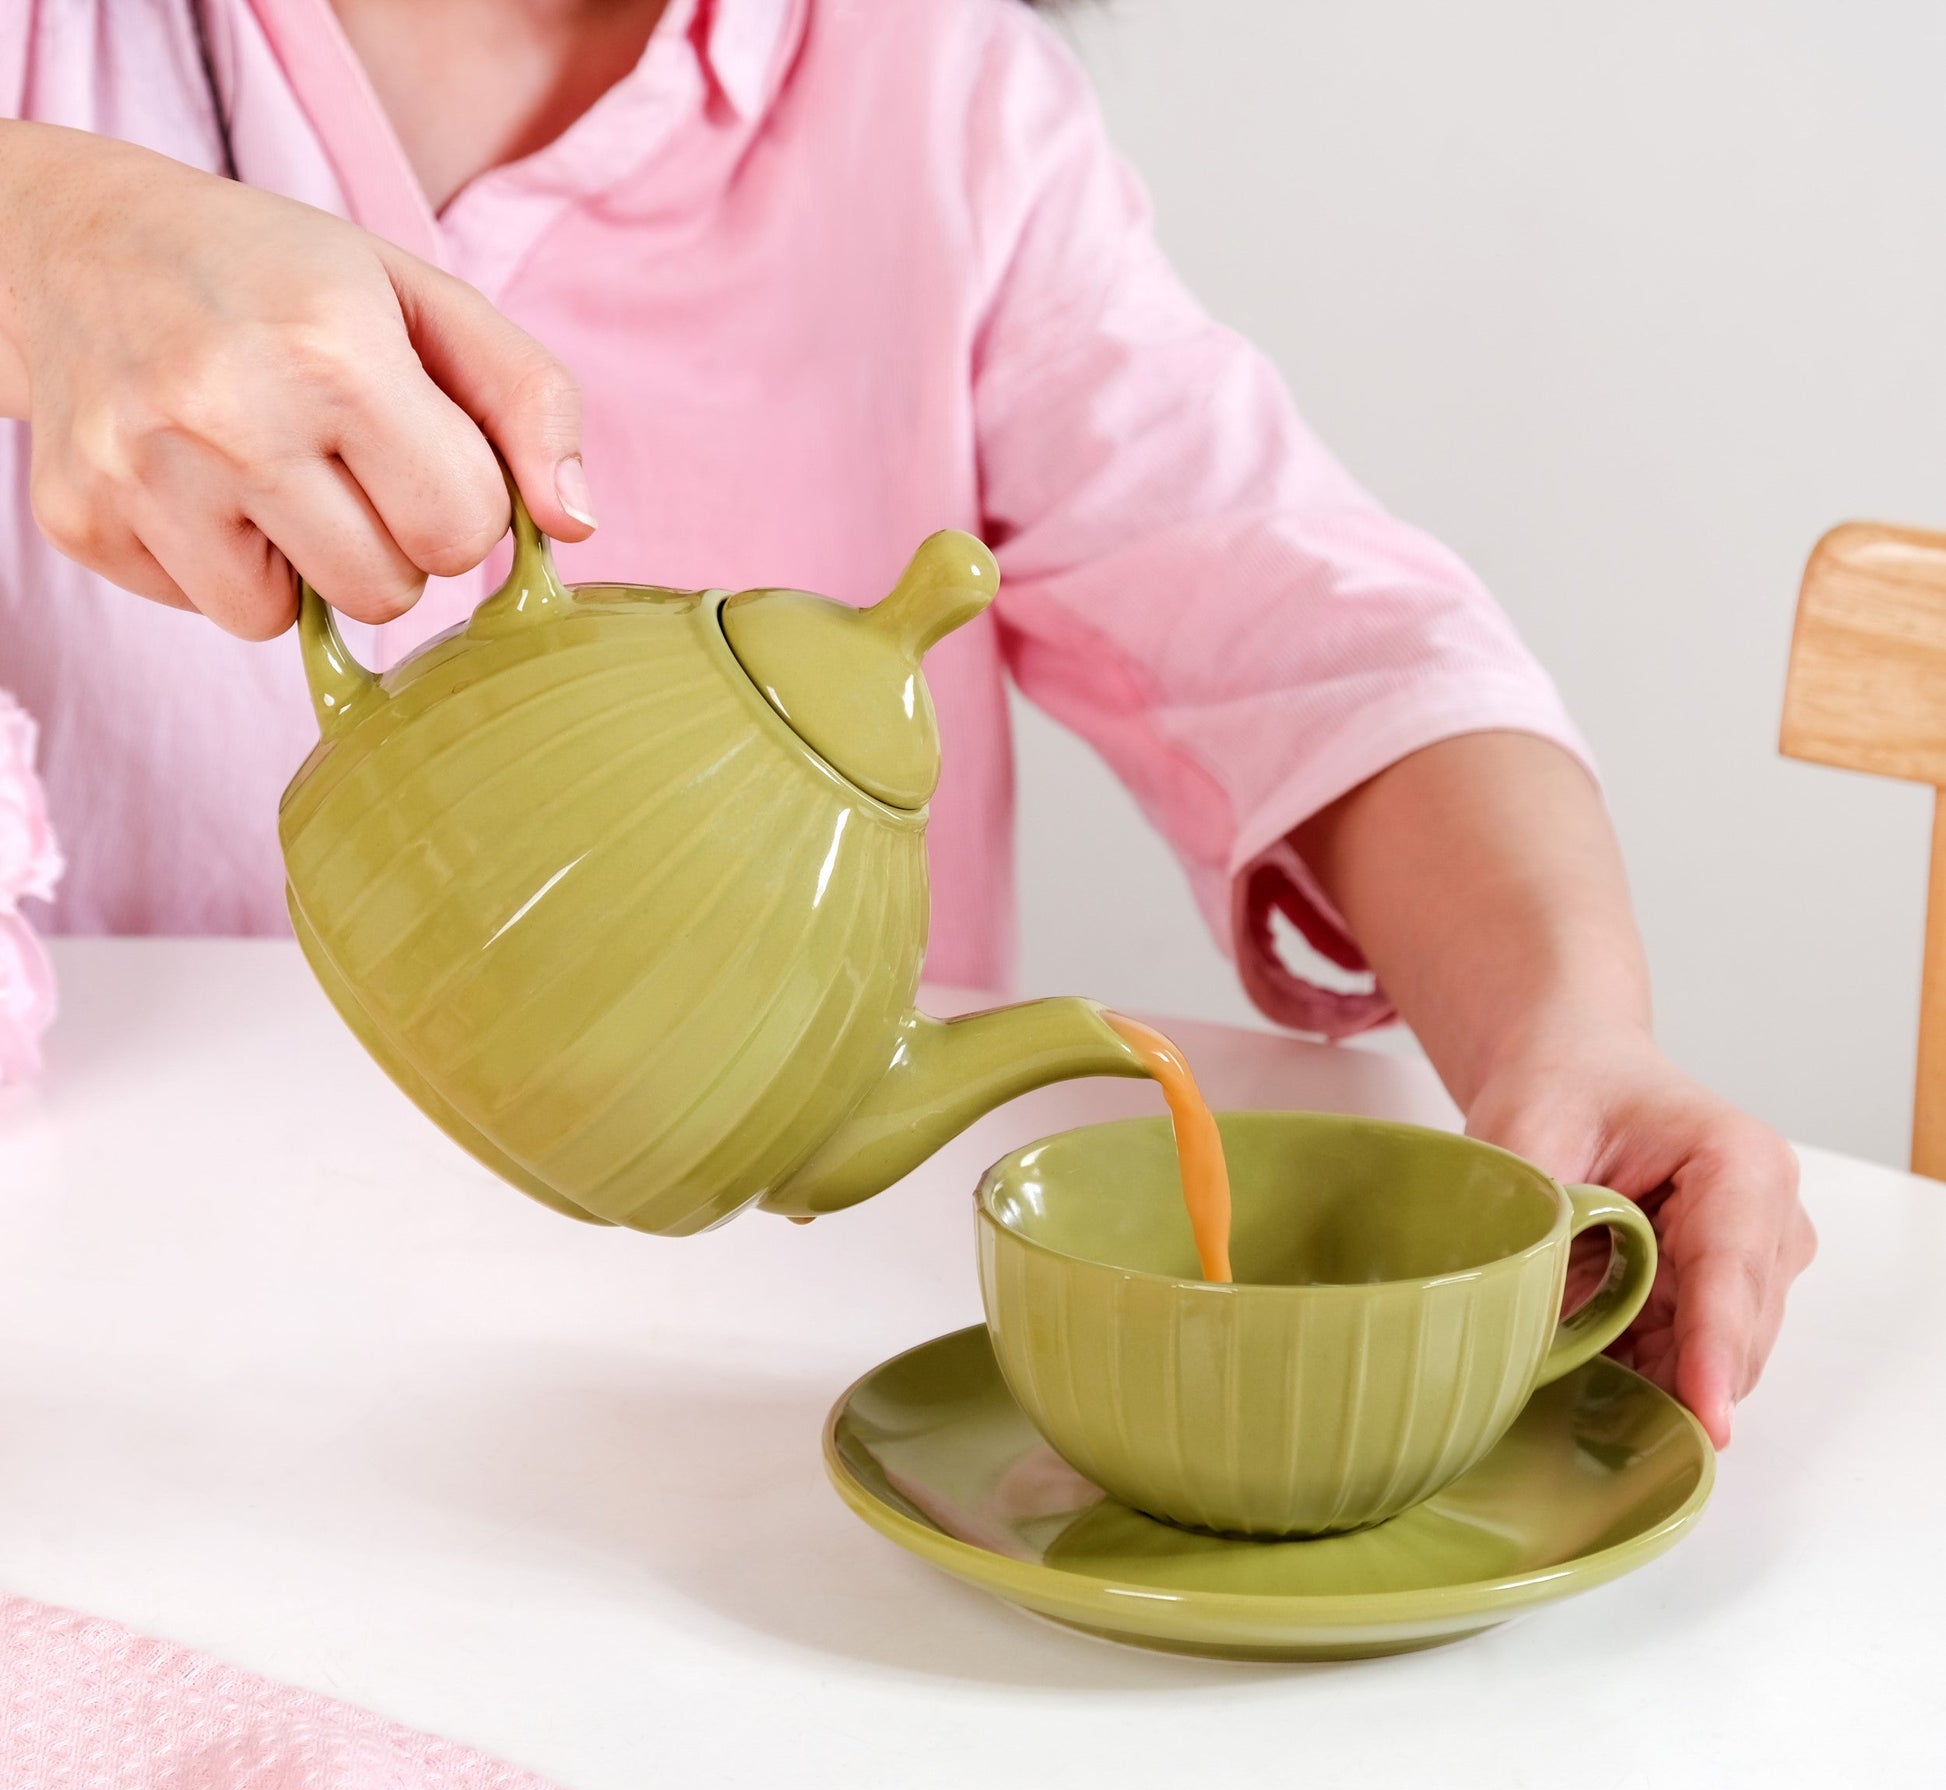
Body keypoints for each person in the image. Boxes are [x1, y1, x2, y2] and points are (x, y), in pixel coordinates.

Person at [0, 0, 1811, 1445]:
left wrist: (1568, 1024)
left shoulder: (937, 104)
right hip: (122, 1374)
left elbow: (1321, 628)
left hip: (747, 1414)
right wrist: (40, 235)